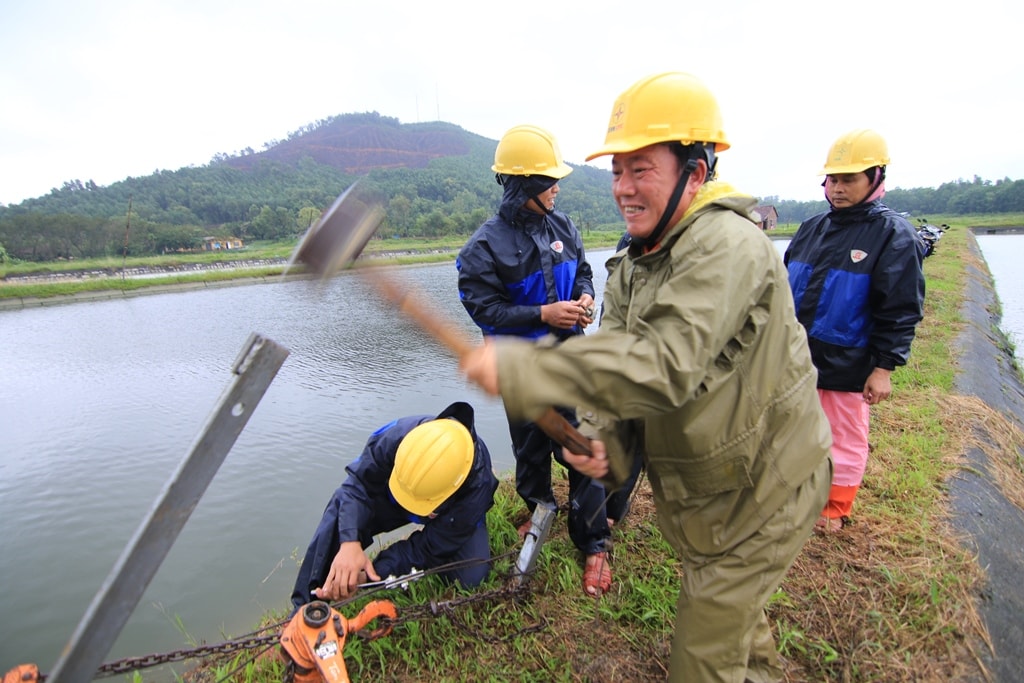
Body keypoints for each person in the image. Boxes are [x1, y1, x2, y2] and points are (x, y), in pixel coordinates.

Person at [458, 71, 833, 682]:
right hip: (710, 488)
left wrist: (530, 364)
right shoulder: (637, 260)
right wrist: (609, 440)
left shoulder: (726, 247)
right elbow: (619, 359)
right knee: (740, 633)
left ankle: (598, 547)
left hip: (766, 483)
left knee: (703, 659)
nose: (623, 188)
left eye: (642, 169)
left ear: (697, 168)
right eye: (617, 170)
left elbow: (661, 364)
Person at [455, 124, 614, 596]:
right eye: (548, 180)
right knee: (529, 446)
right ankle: (537, 506)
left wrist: (584, 296)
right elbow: (484, 309)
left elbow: (584, 270)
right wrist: (542, 313)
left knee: (582, 444)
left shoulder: (564, 226)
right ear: (522, 184)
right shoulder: (482, 248)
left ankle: (594, 544)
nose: (557, 187)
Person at [784, 129, 926, 533]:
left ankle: (834, 506)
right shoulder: (812, 227)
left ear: (876, 178)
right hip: (796, 356)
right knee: (792, 428)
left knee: (842, 436)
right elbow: (780, 289)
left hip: (848, 360)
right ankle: (794, 493)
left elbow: (901, 309)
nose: (838, 188)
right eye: (833, 179)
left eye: (849, 179)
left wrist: (884, 368)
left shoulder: (893, 236)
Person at [289, 401, 499, 611]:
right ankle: (307, 608)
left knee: (471, 576)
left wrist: (370, 576)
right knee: (342, 511)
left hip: (451, 516)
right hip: (391, 495)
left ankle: (415, 569)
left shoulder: (477, 489)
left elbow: (427, 548)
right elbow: (356, 485)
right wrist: (349, 543)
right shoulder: (396, 436)